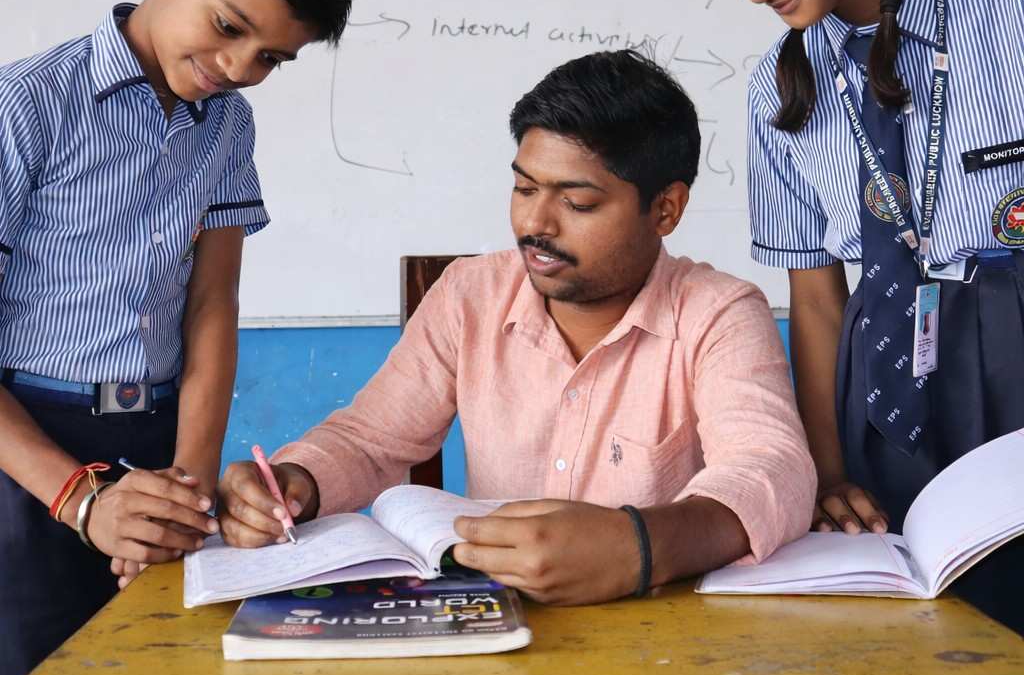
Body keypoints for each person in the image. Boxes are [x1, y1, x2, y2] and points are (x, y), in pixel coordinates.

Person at [217, 49, 816, 605]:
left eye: (578, 203)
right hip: (494, 618)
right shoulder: (470, 295)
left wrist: (636, 546)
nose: (536, 224)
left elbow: (770, 468)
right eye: (524, 188)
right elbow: (373, 439)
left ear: (665, 209)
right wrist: (294, 482)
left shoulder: (719, 312)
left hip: (660, 628)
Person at [0, 0, 353, 675]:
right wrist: (82, 501)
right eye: (228, 26)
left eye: (270, 58)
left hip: (158, 444)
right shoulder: (27, 106)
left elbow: (211, 307)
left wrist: (185, 498)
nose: (237, 65)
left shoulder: (226, 126)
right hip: (28, 454)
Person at [691, 0, 1024, 631]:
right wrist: (827, 471)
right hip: (880, 387)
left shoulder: (1011, 12)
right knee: (912, 635)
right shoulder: (776, 91)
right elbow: (815, 298)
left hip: (1013, 363)